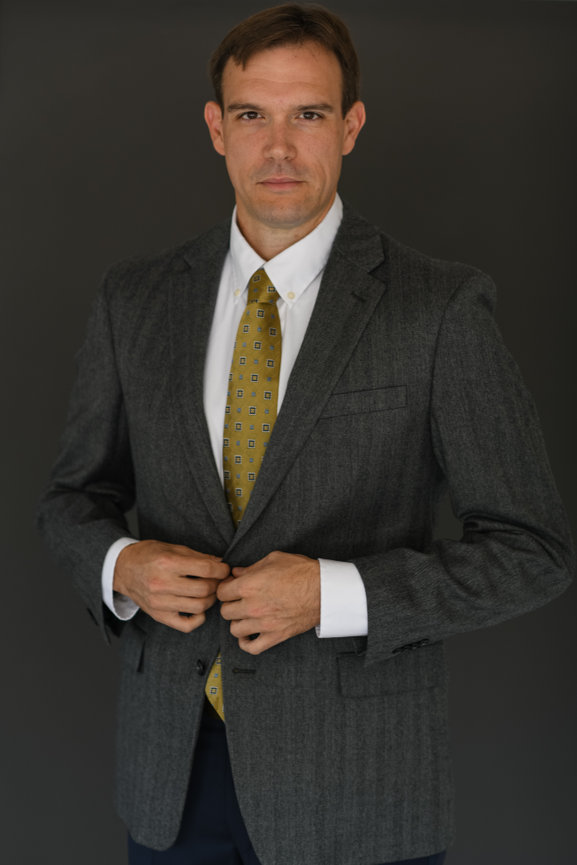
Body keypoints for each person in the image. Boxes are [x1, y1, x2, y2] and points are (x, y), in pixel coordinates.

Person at [37, 5, 574, 865]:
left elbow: (533, 549)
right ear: (217, 128)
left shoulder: (438, 309)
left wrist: (335, 594)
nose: (277, 146)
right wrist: (118, 565)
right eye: (252, 114)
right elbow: (74, 497)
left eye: (308, 114)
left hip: (357, 790)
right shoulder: (134, 300)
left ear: (351, 126)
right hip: (170, 780)